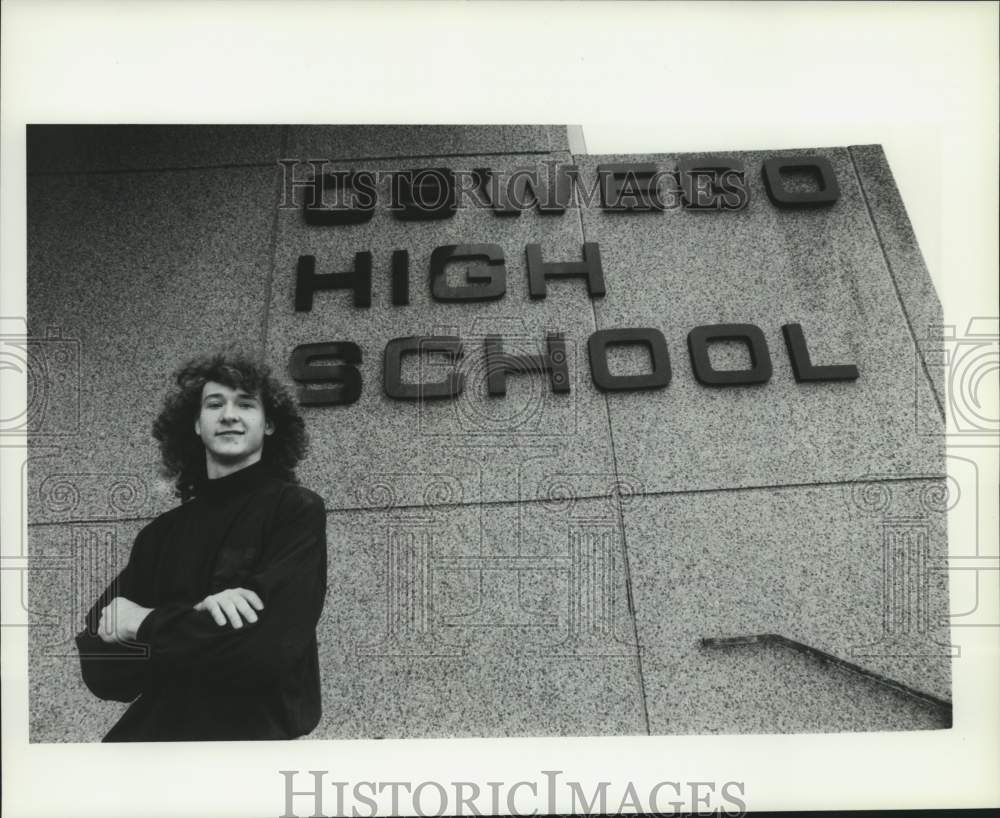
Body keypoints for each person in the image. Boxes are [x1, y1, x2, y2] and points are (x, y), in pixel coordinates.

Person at [74, 352, 327, 742]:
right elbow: (104, 670)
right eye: (215, 404)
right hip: (149, 750)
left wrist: (143, 622)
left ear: (270, 424)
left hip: (247, 750)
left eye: (245, 404)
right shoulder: (160, 534)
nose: (229, 415)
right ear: (195, 424)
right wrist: (200, 620)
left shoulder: (294, 510)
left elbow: (265, 653)